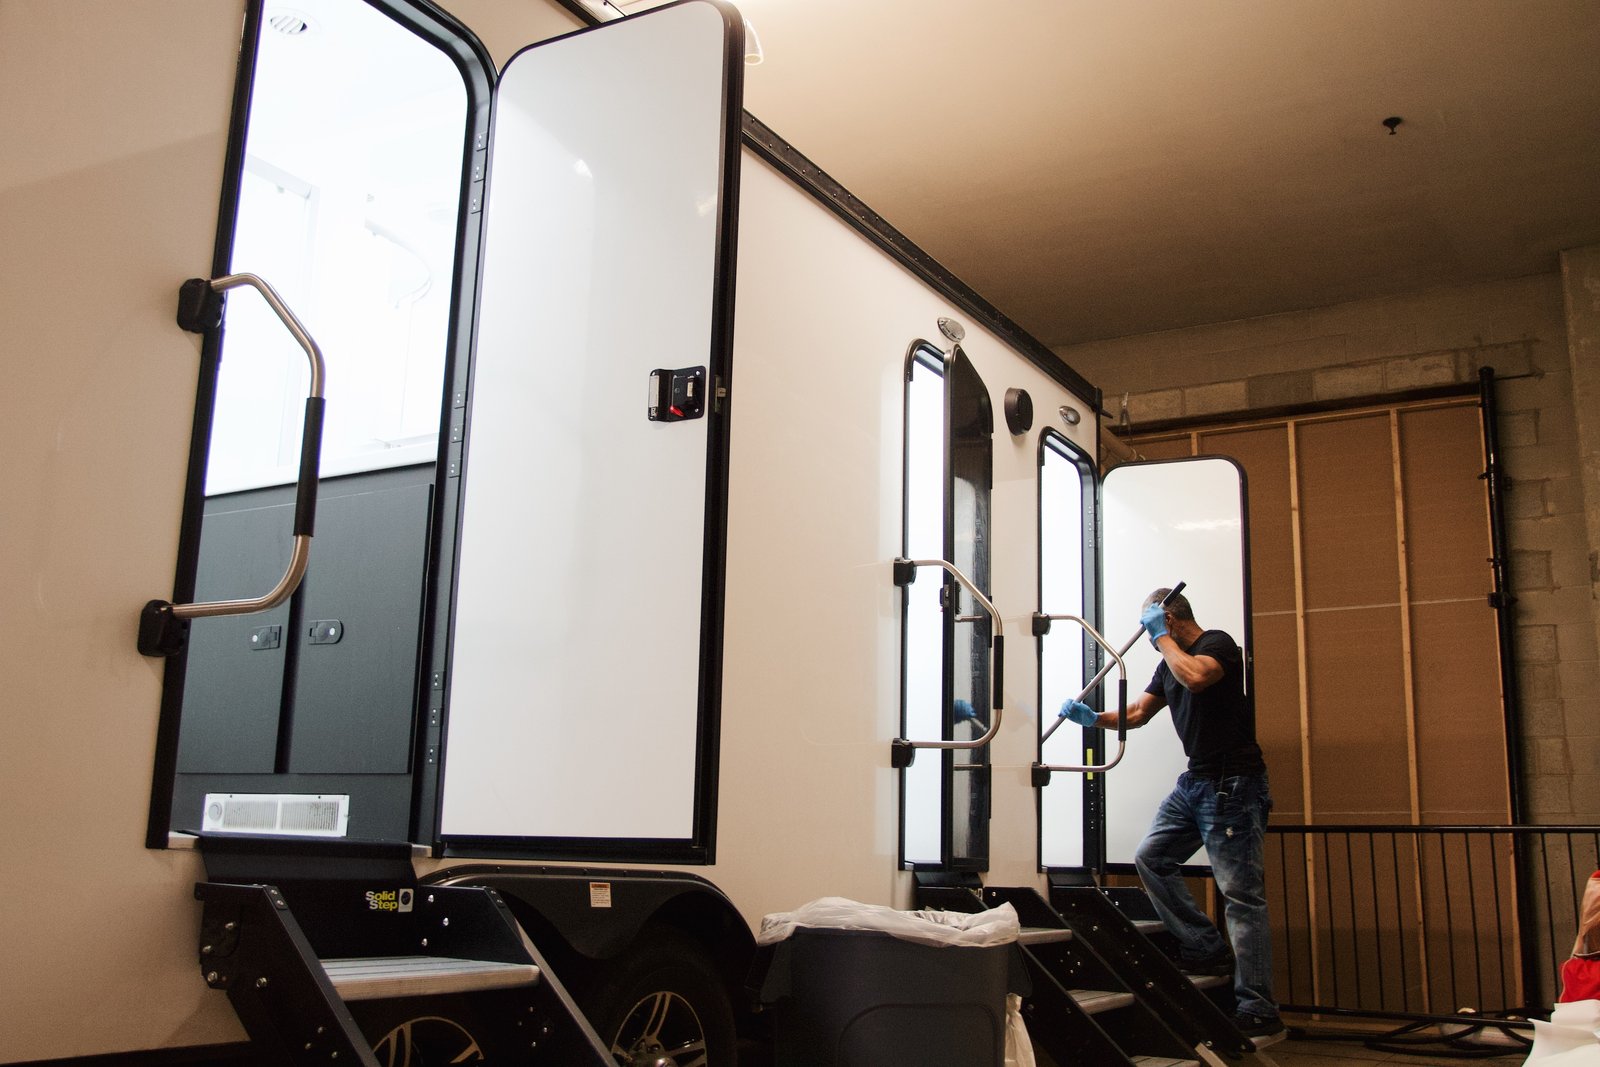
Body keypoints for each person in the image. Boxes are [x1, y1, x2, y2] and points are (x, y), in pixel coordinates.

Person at [1059, 587, 1282, 1045]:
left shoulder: (1216, 645)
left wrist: (1162, 637)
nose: (1148, 638)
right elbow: (1139, 712)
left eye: (1151, 627)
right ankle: (1204, 947)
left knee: (1241, 897)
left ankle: (1260, 1011)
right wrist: (1093, 718)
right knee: (1152, 858)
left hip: (1233, 783)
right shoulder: (1169, 662)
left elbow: (1198, 677)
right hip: (1196, 782)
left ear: (1170, 618)